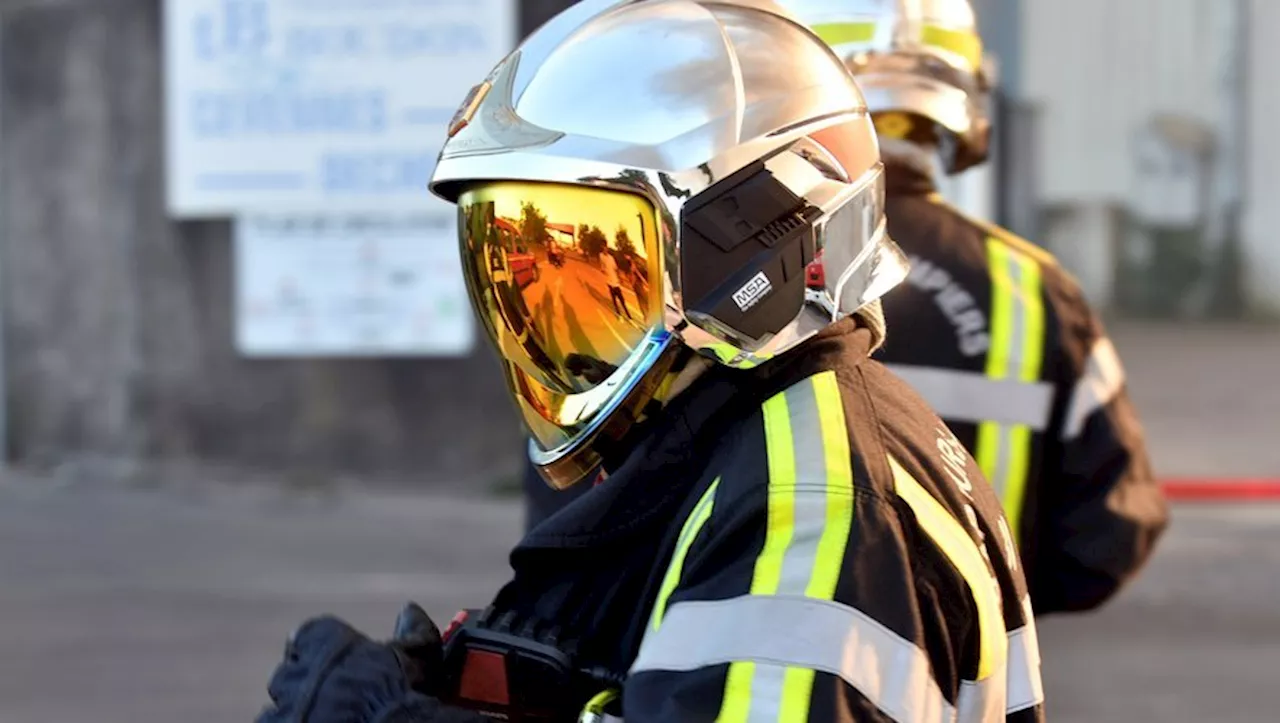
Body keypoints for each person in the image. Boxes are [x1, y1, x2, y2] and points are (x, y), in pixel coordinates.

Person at [256, 2, 1044, 721]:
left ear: (751, 242)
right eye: (512, 256)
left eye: (601, 266)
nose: (542, 313)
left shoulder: (813, 499)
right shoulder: (749, 436)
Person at [769, 0, 1168, 615]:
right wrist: (989, 612)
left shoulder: (748, 271)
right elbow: (1110, 533)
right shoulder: (1035, 291)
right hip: (976, 686)